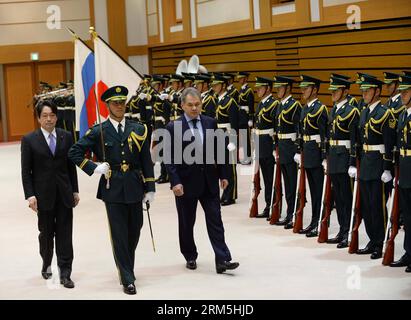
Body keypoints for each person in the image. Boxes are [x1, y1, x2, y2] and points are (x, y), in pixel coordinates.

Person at [68, 85, 155, 295]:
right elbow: (74, 152)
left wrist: (150, 187)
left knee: (134, 230)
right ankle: (127, 277)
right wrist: (94, 167)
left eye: (122, 102)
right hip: (112, 186)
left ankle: (127, 267)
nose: (119, 106)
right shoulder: (99, 131)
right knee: (119, 234)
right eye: (115, 103)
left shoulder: (139, 129)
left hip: (135, 184)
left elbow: (145, 159)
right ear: (107, 106)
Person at [164, 87, 239, 274]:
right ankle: (190, 255)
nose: (194, 108)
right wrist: (175, 182)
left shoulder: (210, 122)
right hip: (185, 184)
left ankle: (222, 259)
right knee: (187, 222)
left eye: (197, 104)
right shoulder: (173, 127)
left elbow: (219, 150)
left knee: (216, 220)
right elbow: (169, 158)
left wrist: (224, 175)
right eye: (190, 105)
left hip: (208, 181)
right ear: (182, 105)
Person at [21, 100, 79, 289]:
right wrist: (30, 195)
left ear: (56, 116)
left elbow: (71, 167)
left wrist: (75, 190)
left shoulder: (66, 136)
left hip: (64, 193)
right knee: (46, 234)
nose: (49, 119)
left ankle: (65, 272)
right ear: (38, 118)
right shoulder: (29, 140)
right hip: (42, 195)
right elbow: (26, 171)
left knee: (65, 234)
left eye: (52, 115)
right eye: (44, 116)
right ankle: (46, 262)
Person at [350, 74, 396, 259]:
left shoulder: (385, 114)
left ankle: (380, 242)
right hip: (366, 163)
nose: (364, 94)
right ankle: (372, 239)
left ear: (377, 91)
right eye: (363, 90)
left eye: (368, 90)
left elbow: (389, 143)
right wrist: (354, 162)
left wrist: (387, 168)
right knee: (367, 206)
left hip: (378, 165)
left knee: (378, 206)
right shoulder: (364, 112)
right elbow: (359, 141)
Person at [325, 75, 360, 248]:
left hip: (344, 157)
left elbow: (354, 140)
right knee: (338, 198)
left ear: (345, 91)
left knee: (346, 197)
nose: (333, 93)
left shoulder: (352, 111)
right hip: (334, 157)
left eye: (336, 90)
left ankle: (349, 231)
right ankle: (342, 229)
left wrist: (353, 162)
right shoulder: (334, 110)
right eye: (332, 90)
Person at [294, 75, 329, 237]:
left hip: (316, 153)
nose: (303, 91)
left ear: (315, 89)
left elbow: (324, 135)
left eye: (306, 88)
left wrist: (324, 157)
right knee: (312, 190)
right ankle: (314, 220)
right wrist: (298, 150)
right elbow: (301, 132)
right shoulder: (305, 108)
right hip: (307, 153)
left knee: (319, 191)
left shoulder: (320, 109)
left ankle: (321, 221)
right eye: (302, 88)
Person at [272, 76, 301, 228]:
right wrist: (275, 147)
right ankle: (289, 213)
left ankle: (294, 213)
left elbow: (298, 129)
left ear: (288, 88)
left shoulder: (294, 105)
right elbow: (277, 129)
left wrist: (297, 150)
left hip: (290, 147)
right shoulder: (279, 105)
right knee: (285, 182)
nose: (278, 90)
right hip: (282, 147)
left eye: (281, 87)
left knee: (292, 184)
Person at [390, 74, 411, 272]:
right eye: (401, 92)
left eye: (406, 92)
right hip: (404, 168)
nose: (402, 95)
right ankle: (408, 252)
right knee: (407, 215)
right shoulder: (404, 114)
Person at [253, 77, 279, 218]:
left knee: (271, 179)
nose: (257, 90)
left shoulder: (273, 104)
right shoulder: (261, 104)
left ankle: (274, 206)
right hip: (261, 144)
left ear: (268, 88)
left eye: (260, 87)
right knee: (265, 178)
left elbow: (276, 127)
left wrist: (276, 147)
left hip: (269, 145)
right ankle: (268, 204)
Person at [212, 74, 239, 206]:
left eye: (217, 85)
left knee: (230, 167)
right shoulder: (218, 100)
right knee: (222, 166)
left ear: (223, 85)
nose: (214, 87)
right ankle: (224, 193)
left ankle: (231, 194)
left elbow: (235, 123)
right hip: (218, 135)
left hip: (227, 135)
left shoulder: (230, 101)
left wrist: (233, 141)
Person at [237, 72, 254, 164]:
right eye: (239, 78)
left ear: (246, 79)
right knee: (242, 137)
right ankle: (243, 157)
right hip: (241, 116)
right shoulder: (241, 90)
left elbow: (251, 106)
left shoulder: (248, 90)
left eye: (241, 78)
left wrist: (251, 118)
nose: (239, 80)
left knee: (246, 138)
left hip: (246, 116)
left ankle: (248, 158)